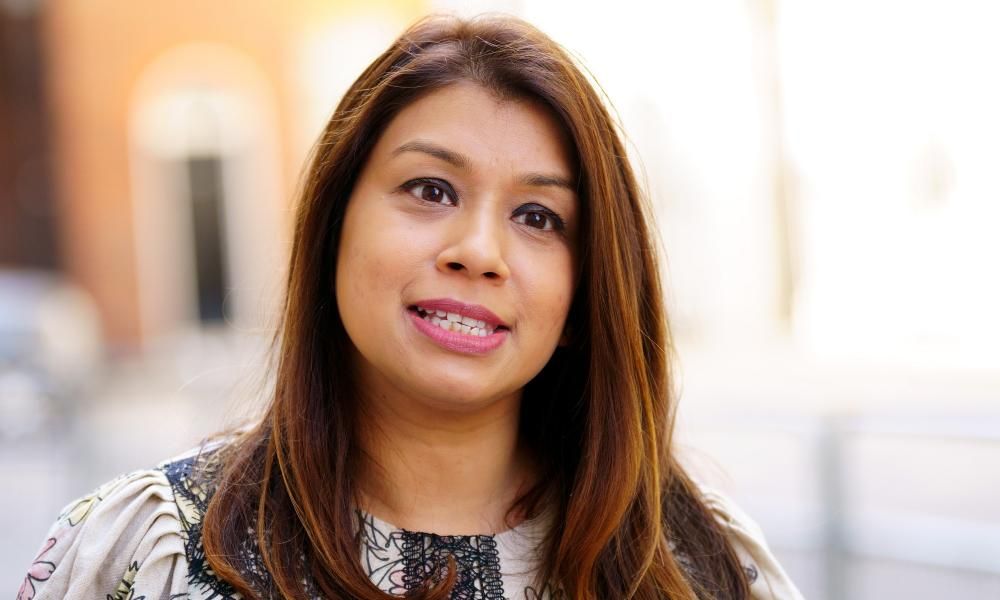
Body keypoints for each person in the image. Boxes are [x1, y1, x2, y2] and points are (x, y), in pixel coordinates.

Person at [18, 14, 803, 600]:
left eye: (538, 217)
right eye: (430, 189)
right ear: (335, 226)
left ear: (586, 290)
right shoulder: (149, 555)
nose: (479, 251)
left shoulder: (698, 565)